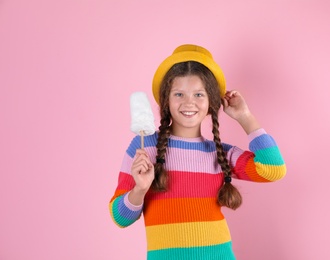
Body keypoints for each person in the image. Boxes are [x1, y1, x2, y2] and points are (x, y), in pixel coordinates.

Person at [109, 44, 286, 260]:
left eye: (199, 94)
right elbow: (120, 218)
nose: (189, 102)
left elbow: (274, 169)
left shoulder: (220, 154)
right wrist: (140, 189)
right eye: (179, 94)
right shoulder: (145, 148)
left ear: (212, 101)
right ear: (166, 100)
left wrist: (245, 116)